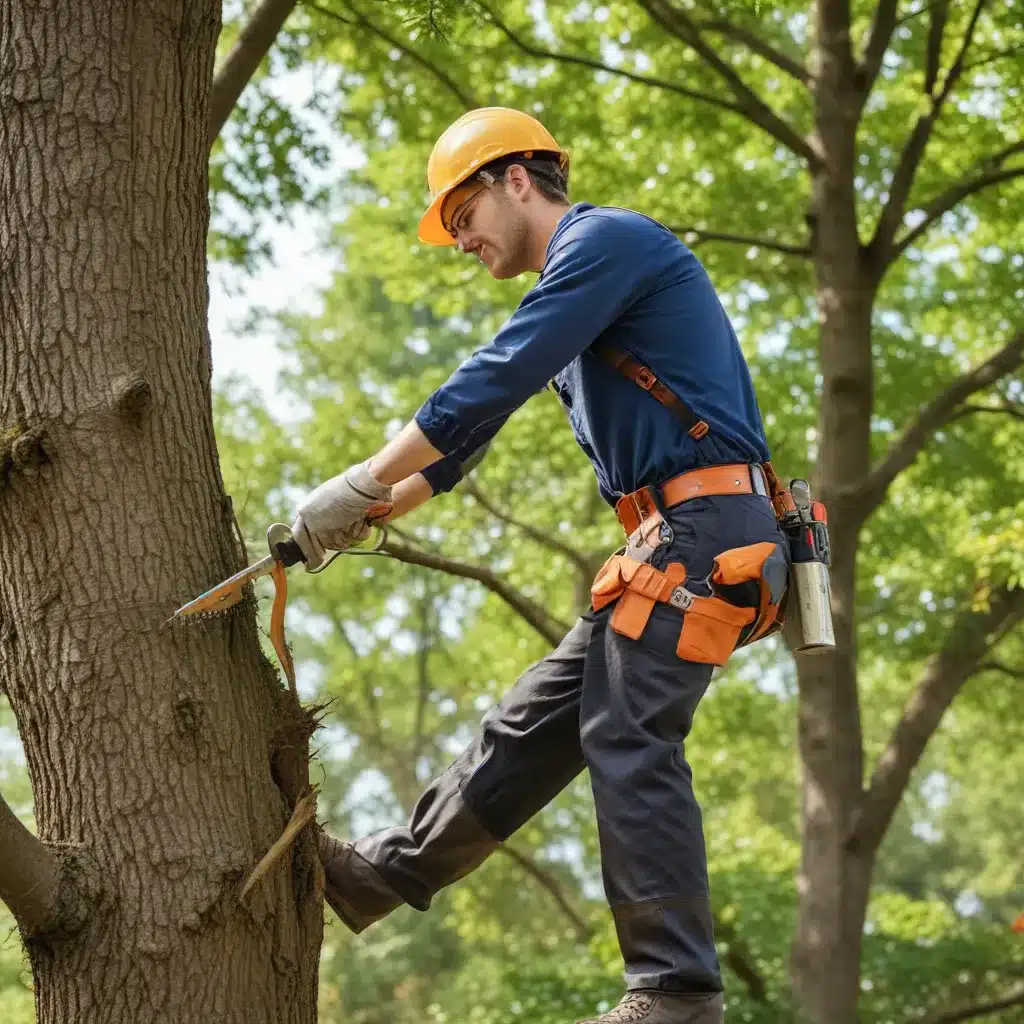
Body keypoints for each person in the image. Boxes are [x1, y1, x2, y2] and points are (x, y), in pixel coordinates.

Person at [293, 107, 790, 1024]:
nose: (460, 242)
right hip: (670, 543)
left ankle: (676, 993)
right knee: (535, 726)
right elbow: (480, 422)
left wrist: (358, 474)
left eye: (461, 215)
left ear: (516, 179)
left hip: (705, 535)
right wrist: (378, 504)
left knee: (630, 735)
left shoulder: (607, 242)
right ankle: (375, 876)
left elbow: (500, 370)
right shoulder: (588, 287)